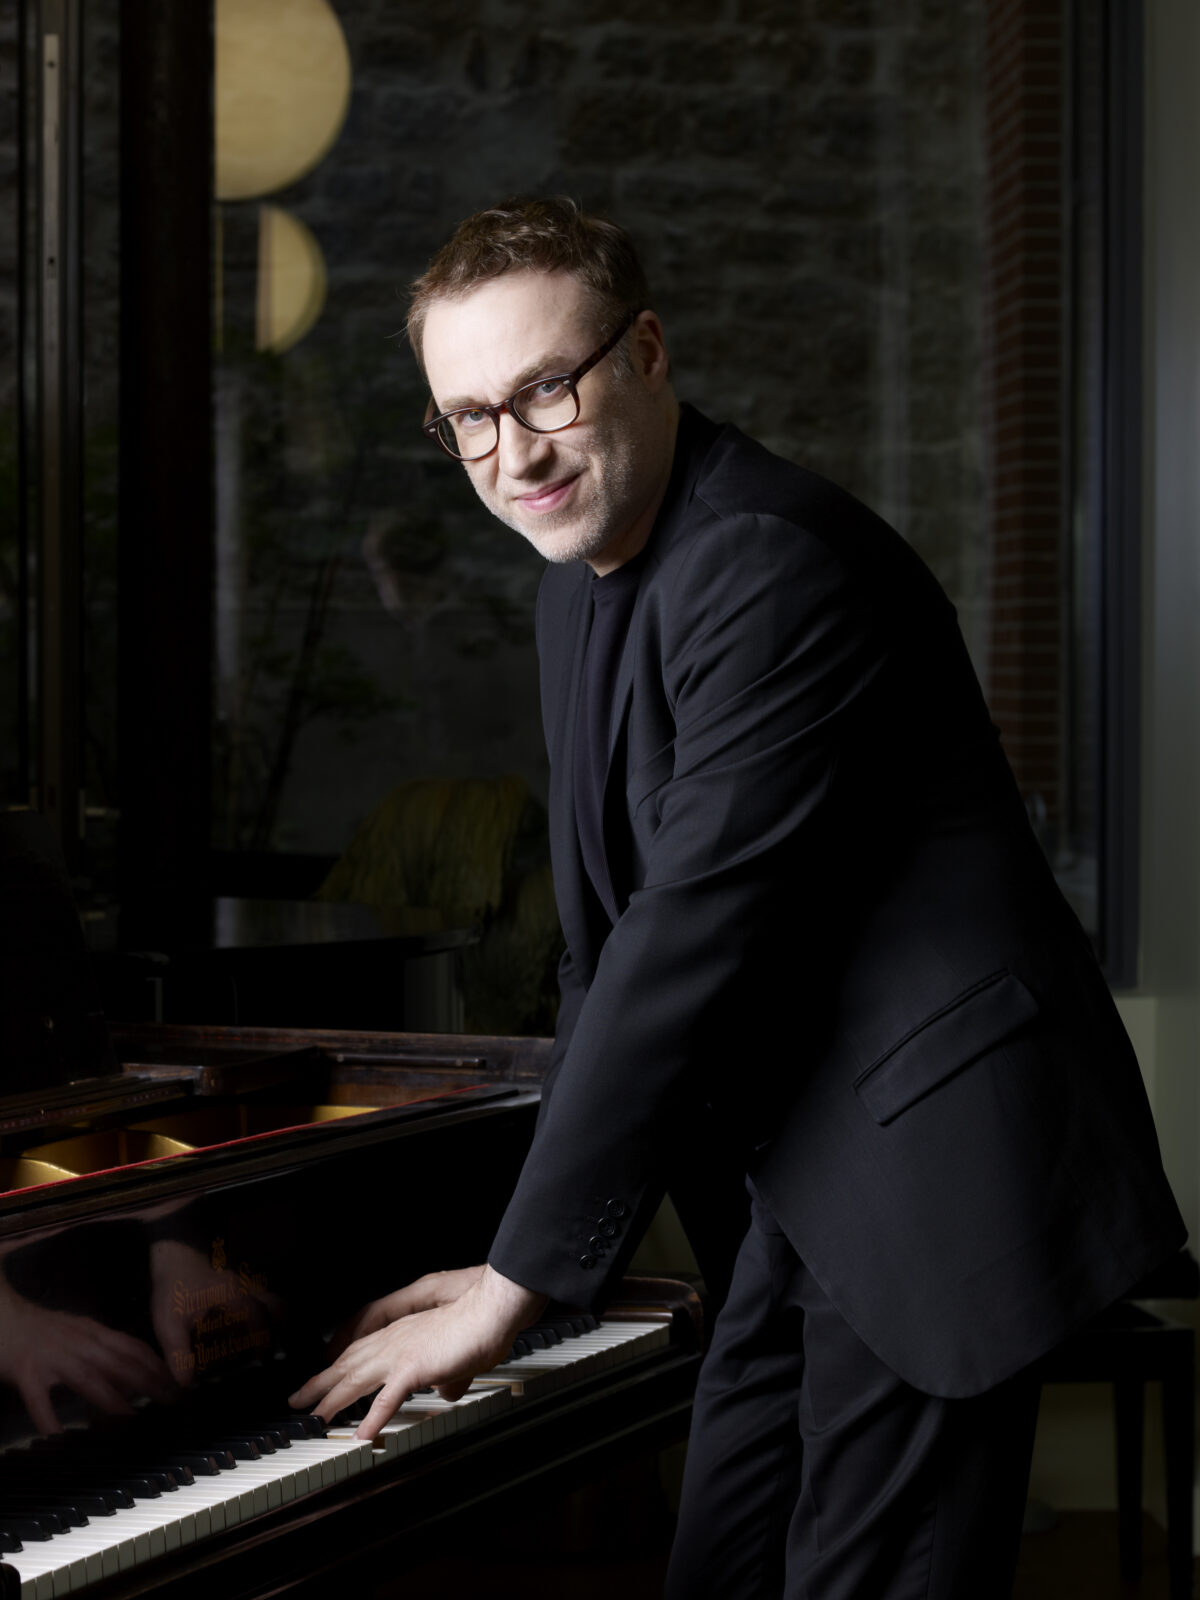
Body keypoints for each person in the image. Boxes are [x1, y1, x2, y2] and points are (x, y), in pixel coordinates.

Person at [291, 197, 1185, 1599]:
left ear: (647, 352)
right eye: (468, 417)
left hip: (934, 1174)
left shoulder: (768, 560)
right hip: (806, 1185)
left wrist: (518, 1288)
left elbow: (687, 935)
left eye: (546, 388)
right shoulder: (581, 585)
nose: (513, 453)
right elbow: (601, 951)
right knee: (720, 1567)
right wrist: (519, 1251)